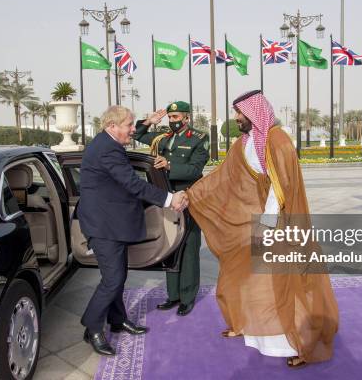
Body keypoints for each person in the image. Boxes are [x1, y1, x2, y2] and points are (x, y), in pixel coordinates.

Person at [186, 91, 338, 368]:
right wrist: (191, 195)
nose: (236, 118)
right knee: (241, 271)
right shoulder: (244, 142)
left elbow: (281, 186)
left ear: (253, 112)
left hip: (278, 220)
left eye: (239, 113)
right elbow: (223, 176)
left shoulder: (277, 140)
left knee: (284, 281)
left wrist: (266, 225)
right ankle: (245, 323)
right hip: (255, 217)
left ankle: (295, 342)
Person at [78, 105, 188, 356]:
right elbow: (131, 183)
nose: (132, 129)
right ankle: (92, 327)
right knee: (113, 279)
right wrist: (170, 199)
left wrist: (146, 123)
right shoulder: (107, 150)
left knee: (118, 275)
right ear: (112, 127)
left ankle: (117, 320)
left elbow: (128, 138)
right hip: (104, 225)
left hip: (111, 222)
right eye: (128, 125)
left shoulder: (107, 142)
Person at [133, 101, 209, 316]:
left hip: (188, 198)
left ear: (186, 118)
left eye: (176, 117)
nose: (172, 121)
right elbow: (137, 135)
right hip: (166, 199)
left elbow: (195, 170)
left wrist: (169, 166)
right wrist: (149, 122)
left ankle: (187, 297)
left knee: (189, 248)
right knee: (170, 245)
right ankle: (173, 295)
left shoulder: (199, 138)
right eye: (170, 117)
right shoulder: (162, 137)